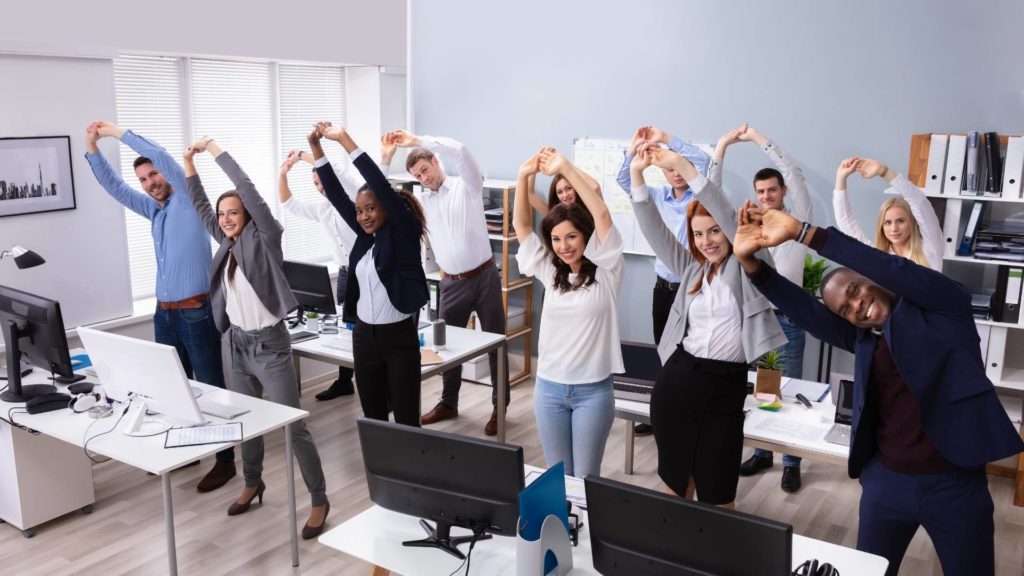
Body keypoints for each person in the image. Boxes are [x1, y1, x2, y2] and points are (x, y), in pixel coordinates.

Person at [732, 201, 1024, 576]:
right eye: (846, 308)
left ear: (871, 279)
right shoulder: (866, 337)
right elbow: (807, 313)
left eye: (856, 290)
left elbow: (895, 268)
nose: (858, 305)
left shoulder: (945, 306)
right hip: (886, 485)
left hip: (954, 486)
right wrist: (753, 268)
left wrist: (805, 233)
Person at [183, 136, 329, 539]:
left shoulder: (265, 237)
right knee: (243, 420)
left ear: (247, 213)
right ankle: (252, 482)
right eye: (223, 214)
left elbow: (245, 186)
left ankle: (318, 499)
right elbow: (198, 205)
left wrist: (213, 150)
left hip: (270, 346)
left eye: (234, 212)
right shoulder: (225, 243)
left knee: (292, 426)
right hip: (236, 345)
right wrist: (188, 164)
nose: (227, 218)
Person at [84, 121, 236, 493]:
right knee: (174, 388)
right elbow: (114, 188)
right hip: (164, 314)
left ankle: (226, 460)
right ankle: (188, 450)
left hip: (195, 311)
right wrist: (92, 147)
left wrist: (118, 134)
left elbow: (167, 159)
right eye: (144, 179)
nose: (151, 181)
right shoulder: (154, 210)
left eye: (154, 174)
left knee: (210, 385)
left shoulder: (188, 199)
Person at [631, 143, 785, 507]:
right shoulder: (691, 269)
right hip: (679, 384)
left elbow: (727, 216)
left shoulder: (750, 262)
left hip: (725, 389)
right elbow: (654, 229)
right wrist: (638, 175)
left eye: (714, 231)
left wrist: (681, 165)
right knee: (675, 491)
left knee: (719, 499)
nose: (707, 241)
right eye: (699, 234)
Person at [383, 129, 510, 436]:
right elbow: (383, 198)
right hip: (451, 283)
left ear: (436, 162)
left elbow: (462, 151)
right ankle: (448, 402)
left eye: (425, 169)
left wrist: (418, 141)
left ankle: (499, 408)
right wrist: (386, 158)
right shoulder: (422, 204)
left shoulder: (467, 186)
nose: (423, 177)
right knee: (447, 345)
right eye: (417, 174)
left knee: (496, 344)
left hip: (484, 276)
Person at [307, 122, 428, 427]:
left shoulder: (403, 233)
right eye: (359, 211)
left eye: (371, 209)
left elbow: (380, 184)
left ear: (387, 208)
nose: (363, 216)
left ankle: (410, 474)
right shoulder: (364, 238)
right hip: (364, 338)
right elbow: (334, 192)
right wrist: (316, 148)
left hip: (398, 338)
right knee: (373, 418)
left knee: (406, 421)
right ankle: (380, 475)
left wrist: (344, 139)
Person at [711, 124, 811, 493]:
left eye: (772, 190)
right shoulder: (747, 225)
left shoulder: (797, 219)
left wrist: (757, 139)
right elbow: (713, 196)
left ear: (782, 192)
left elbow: (795, 173)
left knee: (789, 388)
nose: (767, 196)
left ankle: (791, 462)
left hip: (791, 320)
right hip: (757, 317)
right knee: (762, 390)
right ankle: (763, 453)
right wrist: (722, 147)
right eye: (761, 192)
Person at [513, 147, 623, 479]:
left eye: (572, 236)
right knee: (558, 476)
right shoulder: (551, 271)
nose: (564, 246)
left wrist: (565, 168)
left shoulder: (608, 269)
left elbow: (601, 213)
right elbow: (521, 225)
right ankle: (564, 531)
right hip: (548, 389)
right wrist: (522, 177)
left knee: (585, 477)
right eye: (557, 239)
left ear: (586, 237)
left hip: (592, 391)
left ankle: (587, 530)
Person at [616, 125, 712, 437]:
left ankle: (690, 415)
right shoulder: (655, 197)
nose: (677, 174)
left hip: (694, 289)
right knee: (664, 351)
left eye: (680, 167)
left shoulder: (699, 199)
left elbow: (704, 161)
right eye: (669, 169)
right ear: (664, 173)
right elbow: (623, 180)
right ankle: (663, 413)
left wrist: (667, 141)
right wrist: (633, 152)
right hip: (663, 287)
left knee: (692, 353)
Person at [279, 148, 362, 401]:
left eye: (322, 181)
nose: (319, 187)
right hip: (346, 273)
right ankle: (345, 381)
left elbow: (334, 170)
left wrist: (303, 155)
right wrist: (283, 174)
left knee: (369, 329)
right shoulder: (323, 209)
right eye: (315, 183)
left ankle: (386, 388)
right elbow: (288, 204)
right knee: (346, 328)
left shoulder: (353, 202)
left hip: (367, 271)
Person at [833, 156, 943, 271]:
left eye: (901, 221)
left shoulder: (930, 248)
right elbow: (846, 224)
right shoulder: (878, 256)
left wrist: (882, 171)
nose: (894, 228)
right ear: (882, 226)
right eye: (887, 223)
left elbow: (919, 202)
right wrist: (840, 178)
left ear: (911, 221)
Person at [524, 163, 602, 217]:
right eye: (560, 192)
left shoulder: (590, 210)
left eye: (568, 188)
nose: (565, 195)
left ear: (576, 189)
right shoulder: (555, 214)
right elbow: (529, 195)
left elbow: (595, 187)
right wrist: (535, 168)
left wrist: (565, 166)